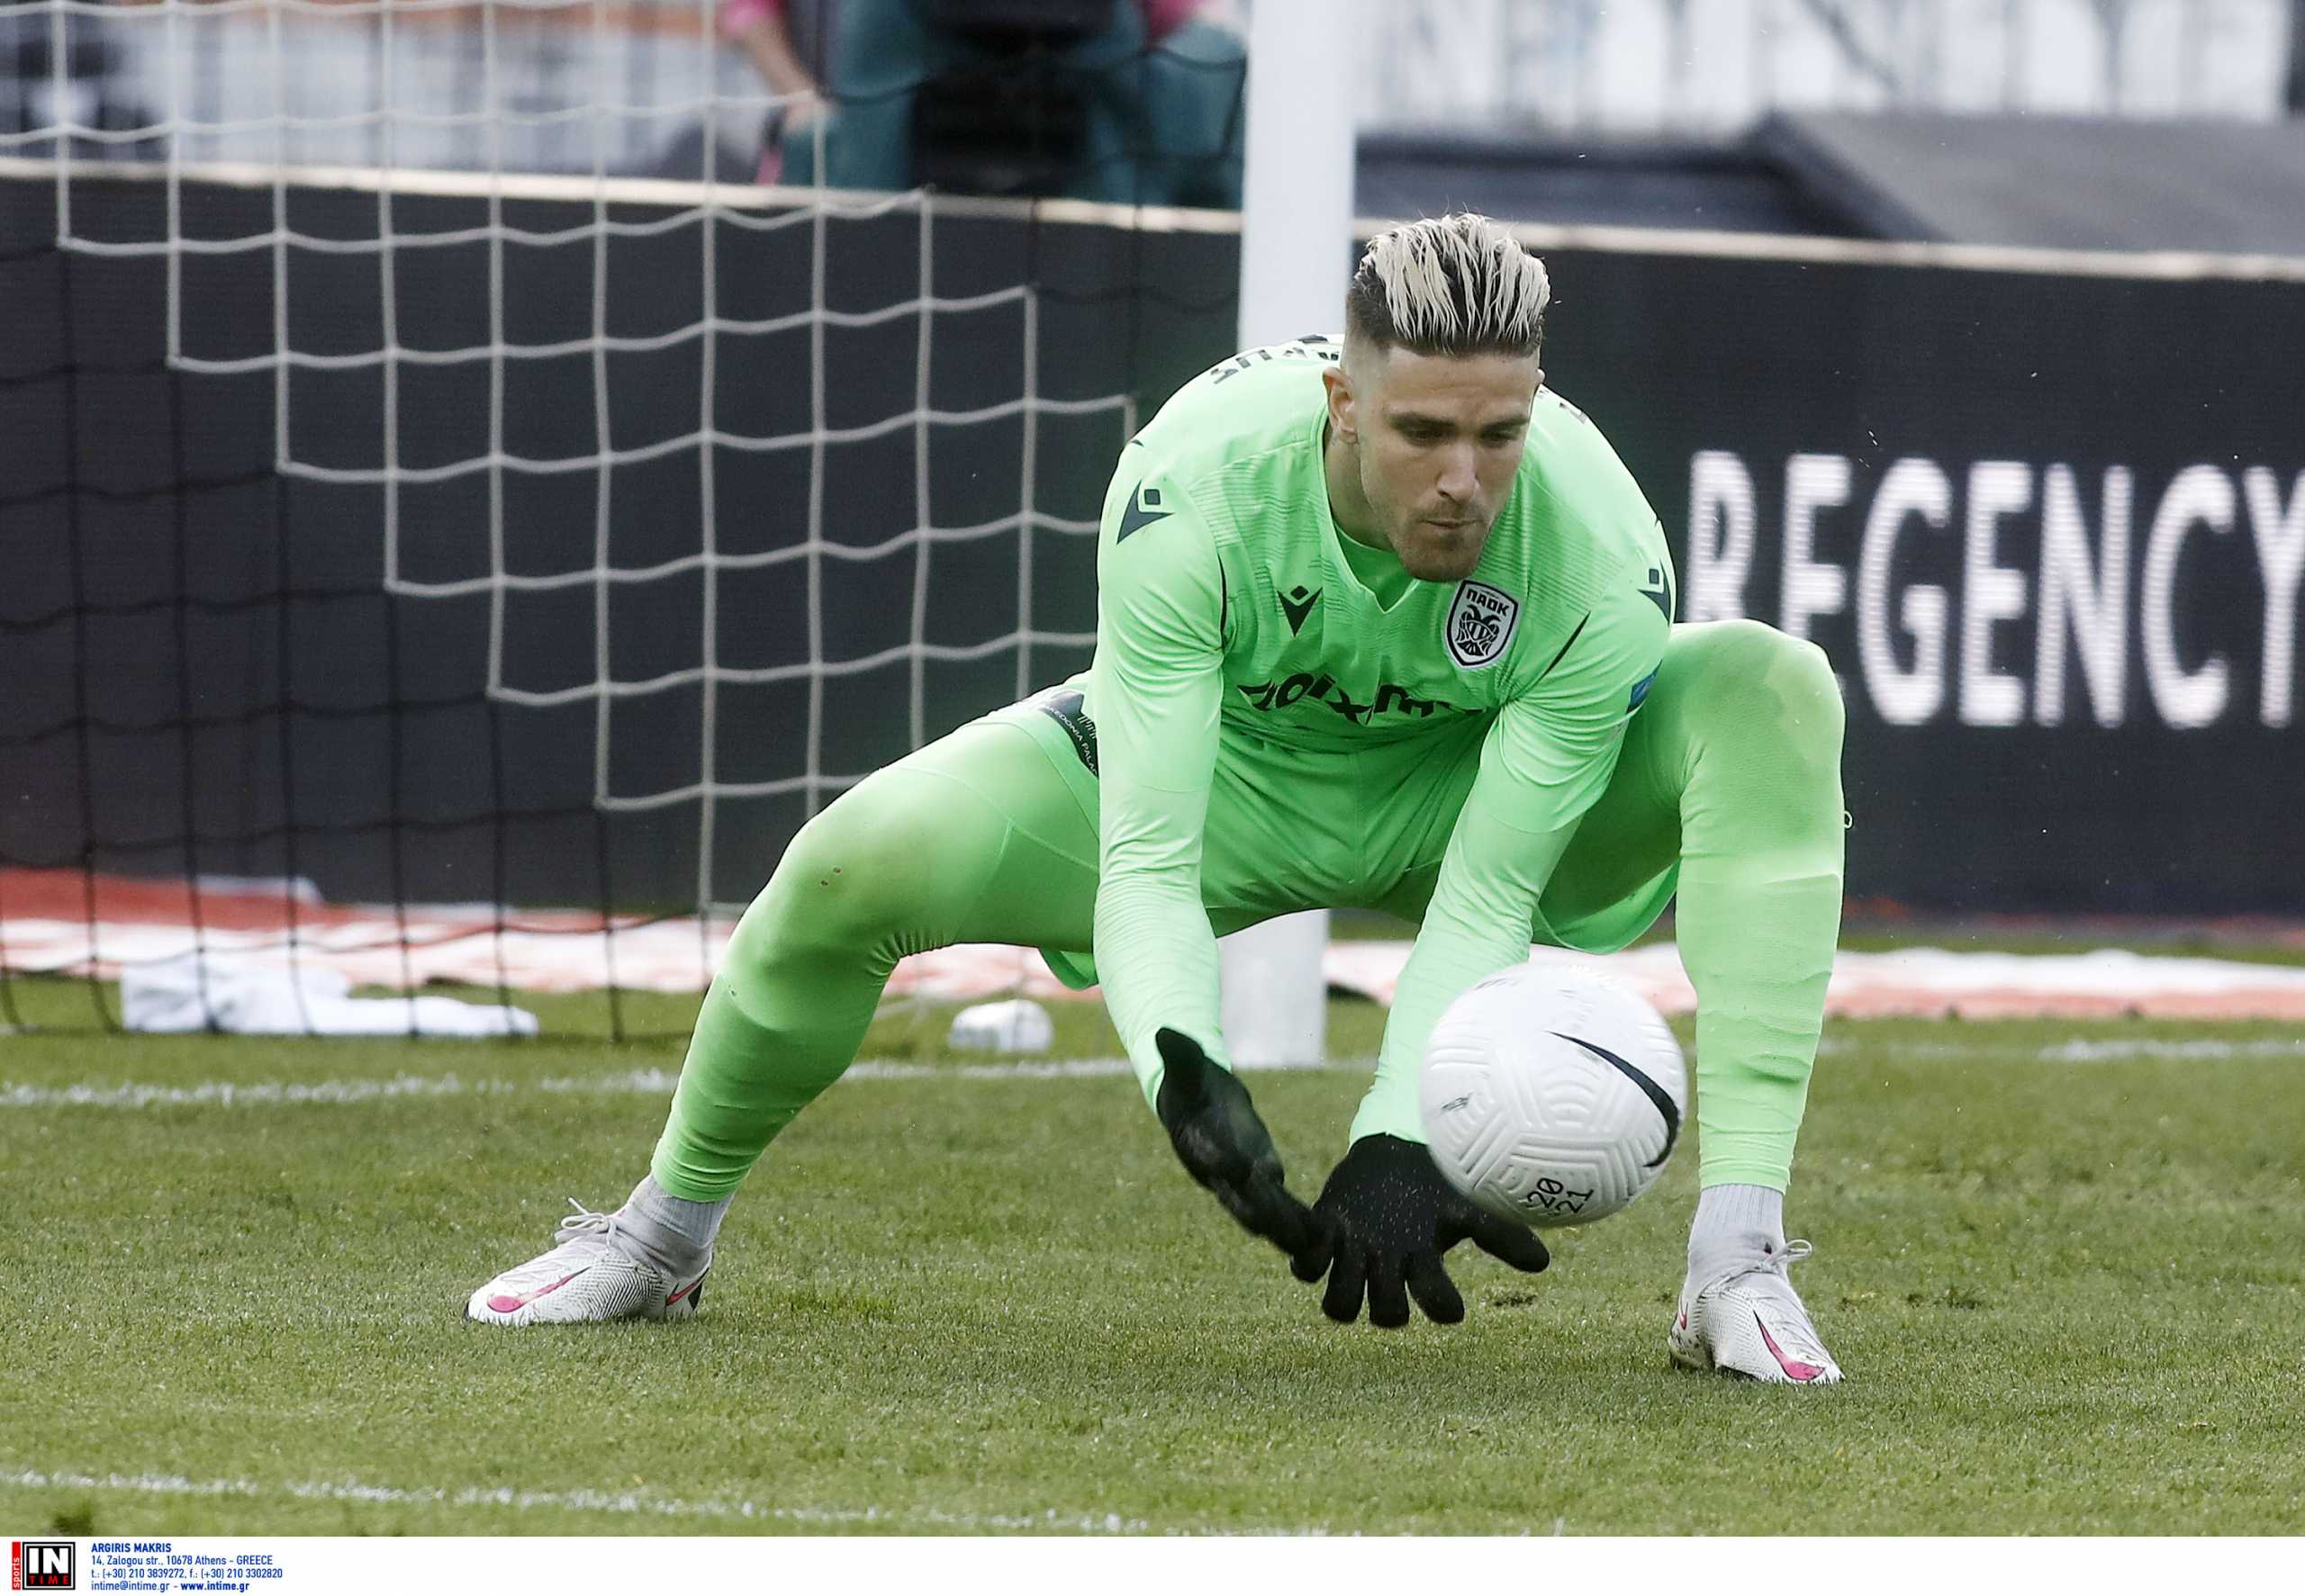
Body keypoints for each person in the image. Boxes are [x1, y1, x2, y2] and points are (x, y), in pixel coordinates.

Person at [466, 213, 1849, 1384]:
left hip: (1457, 806)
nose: (1462, 481)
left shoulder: (1605, 552)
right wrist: (1184, 1068)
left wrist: (1398, 1131)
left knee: (1771, 685)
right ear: (1342, 403)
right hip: (1228, 786)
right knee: (845, 862)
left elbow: (1492, 888)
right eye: (1423, 430)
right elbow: (1147, 856)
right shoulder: (1192, 486)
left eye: (1500, 435)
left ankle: (1735, 1262)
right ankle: (660, 1237)